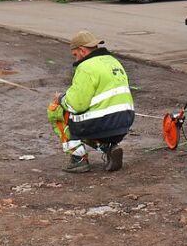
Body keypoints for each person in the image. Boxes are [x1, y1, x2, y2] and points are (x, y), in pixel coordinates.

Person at [48, 30, 135, 173]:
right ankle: (109, 148)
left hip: (102, 123)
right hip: (124, 122)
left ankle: (78, 160)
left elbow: (76, 105)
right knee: (84, 118)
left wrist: (61, 98)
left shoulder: (86, 67)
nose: (75, 59)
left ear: (81, 50)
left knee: (56, 110)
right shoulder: (113, 61)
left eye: (75, 55)